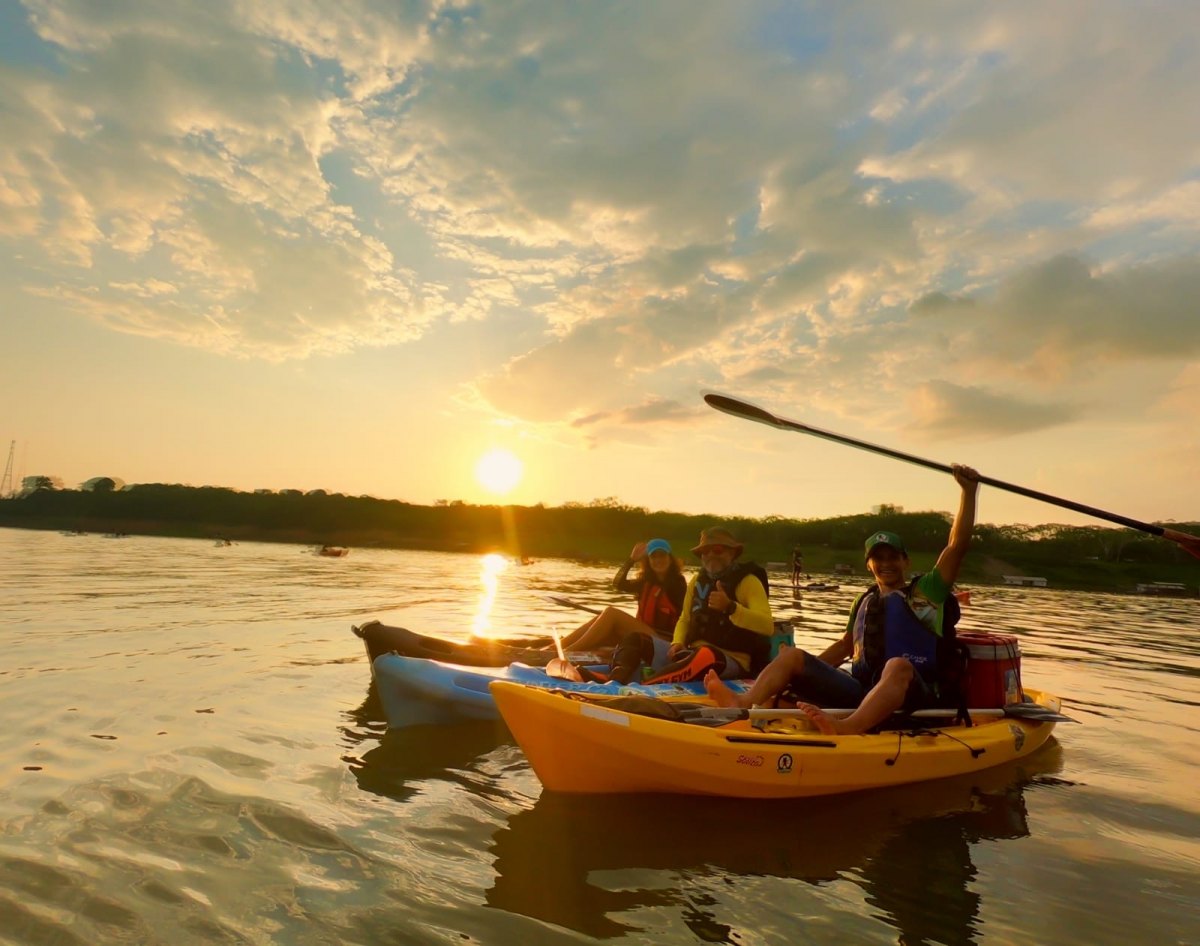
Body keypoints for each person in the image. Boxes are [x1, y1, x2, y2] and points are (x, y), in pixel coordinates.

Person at [706, 465, 980, 734]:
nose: (886, 564)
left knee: (897, 665)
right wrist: (799, 674)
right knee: (792, 655)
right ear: (868, 565)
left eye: (893, 557)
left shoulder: (925, 594)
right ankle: (741, 702)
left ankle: (847, 727)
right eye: (878, 558)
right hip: (863, 693)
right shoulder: (864, 601)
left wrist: (968, 492)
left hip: (915, 695)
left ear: (905, 561)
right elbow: (844, 647)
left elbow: (957, 546)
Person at [645, 526, 774, 684]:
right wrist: (677, 642)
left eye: (718, 550)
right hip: (692, 654)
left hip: (732, 660)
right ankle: (613, 683)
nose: (711, 555)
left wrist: (731, 607)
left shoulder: (748, 582)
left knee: (705, 656)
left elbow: (767, 626)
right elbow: (685, 619)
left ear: (732, 553)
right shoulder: (696, 582)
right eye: (705, 552)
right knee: (637, 641)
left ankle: (646, 686)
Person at [552, 539, 687, 675]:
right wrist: (631, 560)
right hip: (641, 635)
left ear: (670, 559)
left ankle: (567, 652)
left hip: (663, 641)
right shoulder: (646, 582)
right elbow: (618, 584)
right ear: (648, 561)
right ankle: (554, 647)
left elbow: (687, 617)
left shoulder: (677, 584)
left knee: (611, 613)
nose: (658, 560)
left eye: (662, 555)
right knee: (601, 620)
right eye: (654, 556)